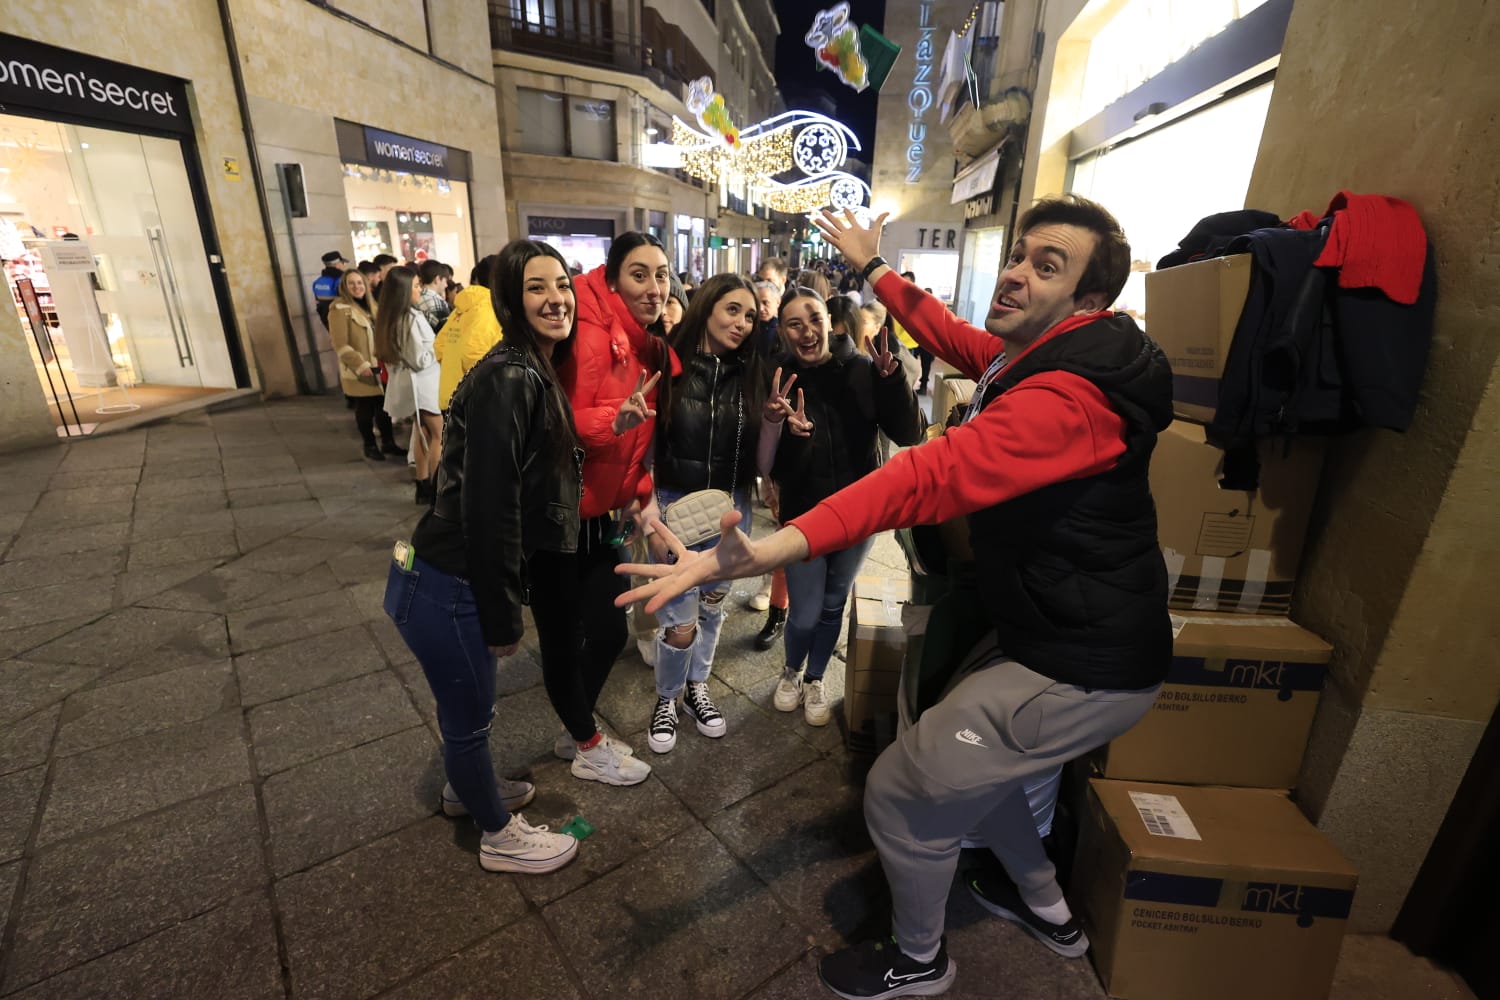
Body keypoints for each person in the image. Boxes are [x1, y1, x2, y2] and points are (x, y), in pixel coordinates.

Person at [619, 196, 1172, 999]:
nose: (1016, 272)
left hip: (1084, 662)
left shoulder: (1067, 400)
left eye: (1045, 266)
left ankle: (921, 960)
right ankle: (1045, 907)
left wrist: (756, 553)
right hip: (1061, 636)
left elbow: (921, 475)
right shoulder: (1049, 354)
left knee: (902, 791)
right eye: (1019, 253)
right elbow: (952, 336)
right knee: (976, 777)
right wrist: (873, 268)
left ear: (1090, 301)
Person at [383, 238, 584, 875]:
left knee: (471, 709)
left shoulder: (527, 365)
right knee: (468, 716)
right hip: (448, 581)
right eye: (536, 288)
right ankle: (499, 836)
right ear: (509, 299)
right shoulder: (510, 377)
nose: (556, 299)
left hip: (441, 576)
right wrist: (503, 614)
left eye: (562, 285)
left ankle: (465, 790)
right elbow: (490, 504)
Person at [763, 287, 924, 728]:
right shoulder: (778, 376)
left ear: (829, 322)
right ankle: (792, 671)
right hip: (805, 516)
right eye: (794, 323)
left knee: (835, 603)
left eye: (814, 318)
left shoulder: (862, 369)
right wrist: (786, 433)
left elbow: (908, 432)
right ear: (782, 331)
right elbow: (769, 462)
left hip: (860, 511)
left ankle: (815, 677)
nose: (807, 331)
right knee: (806, 610)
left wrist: (893, 381)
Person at [551, 232, 678, 785]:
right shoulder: (592, 334)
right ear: (610, 279)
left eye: (663, 274)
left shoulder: (636, 339)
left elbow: (630, 435)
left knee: (602, 632)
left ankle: (575, 730)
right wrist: (614, 423)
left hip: (601, 510)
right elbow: (566, 422)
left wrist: (637, 491)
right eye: (640, 275)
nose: (655, 288)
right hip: (559, 517)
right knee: (572, 635)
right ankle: (583, 740)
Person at [644, 274, 766, 754]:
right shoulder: (668, 364)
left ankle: (698, 687)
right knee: (680, 622)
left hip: (731, 510)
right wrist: (648, 511)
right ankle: (668, 697)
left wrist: (775, 423)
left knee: (713, 609)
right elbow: (645, 447)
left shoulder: (752, 372)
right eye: (733, 310)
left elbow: (761, 457)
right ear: (707, 306)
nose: (742, 323)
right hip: (675, 507)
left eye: (751, 316)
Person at [375, 265, 443, 504]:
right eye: (415, 286)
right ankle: (437, 489)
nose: (419, 290)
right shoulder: (412, 318)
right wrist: (440, 347)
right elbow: (420, 359)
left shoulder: (389, 318)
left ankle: (423, 485)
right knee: (438, 435)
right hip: (425, 386)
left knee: (422, 433)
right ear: (403, 291)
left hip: (413, 387)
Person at [328, 269, 401, 461]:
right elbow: (339, 343)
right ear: (344, 286)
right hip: (360, 368)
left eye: (360, 282)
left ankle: (388, 442)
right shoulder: (339, 310)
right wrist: (360, 365)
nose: (357, 287)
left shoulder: (372, 306)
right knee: (365, 408)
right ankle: (369, 445)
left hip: (381, 365)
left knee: (384, 407)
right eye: (351, 283)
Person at [436, 254, 503, 411]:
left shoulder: (461, 310)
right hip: (477, 401)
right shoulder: (489, 308)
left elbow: (439, 347)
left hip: (452, 395)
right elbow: (473, 354)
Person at [313, 250, 347, 328]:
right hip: (343, 321)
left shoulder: (317, 282)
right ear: (337, 265)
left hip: (327, 322)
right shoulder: (342, 280)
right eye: (343, 263)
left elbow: (319, 305)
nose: (344, 266)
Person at [416, 259, 453, 332]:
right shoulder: (435, 301)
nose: (446, 285)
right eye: (445, 281)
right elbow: (447, 331)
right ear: (437, 279)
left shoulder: (417, 298)